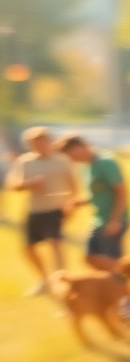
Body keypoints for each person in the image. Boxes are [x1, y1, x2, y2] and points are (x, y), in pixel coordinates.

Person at [56, 135, 130, 316]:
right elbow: (97, 194)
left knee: (115, 266)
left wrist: (115, 220)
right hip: (99, 220)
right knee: (92, 259)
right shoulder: (86, 166)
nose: (71, 160)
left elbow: (122, 192)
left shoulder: (105, 162)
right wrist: (79, 202)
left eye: (71, 155)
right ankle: (116, 297)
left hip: (113, 221)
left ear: (80, 147)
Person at [6, 127, 77, 297]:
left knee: (54, 243)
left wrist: (71, 205)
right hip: (34, 209)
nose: (41, 146)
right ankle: (45, 280)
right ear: (30, 145)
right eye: (36, 143)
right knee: (28, 248)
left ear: (50, 142)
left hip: (55, 208)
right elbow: (13, 184)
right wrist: (29, 184)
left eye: (44, 142)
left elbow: (74, 185)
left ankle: (62, 280)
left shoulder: (62, 161)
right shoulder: (25, 162)